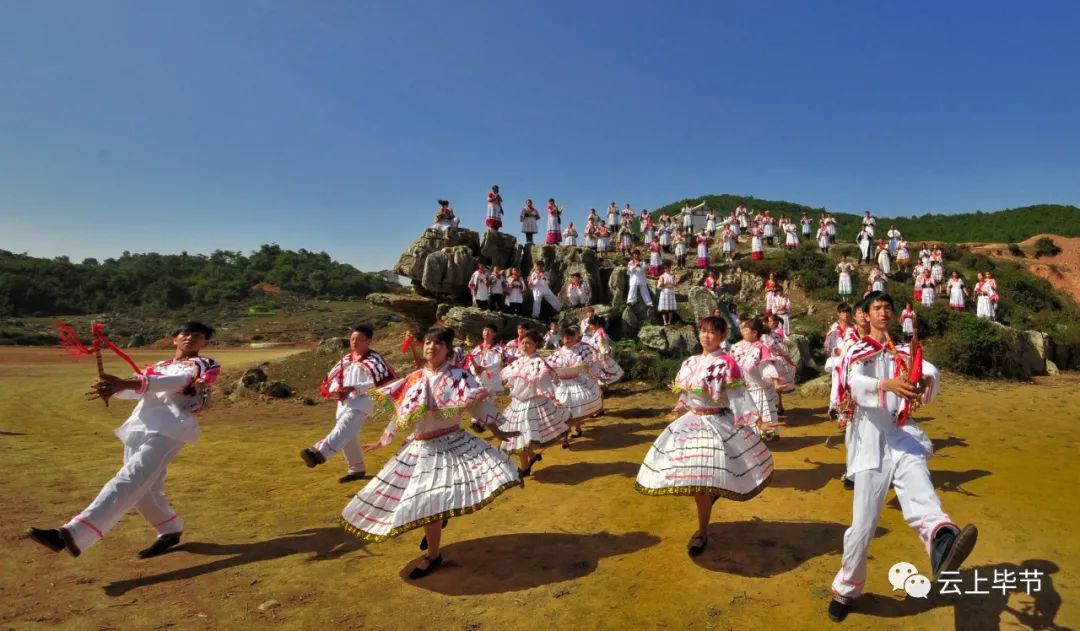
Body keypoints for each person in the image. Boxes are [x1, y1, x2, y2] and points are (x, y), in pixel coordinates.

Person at [826, 291, 978, 622]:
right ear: (865, 315)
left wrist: (924, 379)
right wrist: (887, 385)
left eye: (888, 308)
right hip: (869, 441)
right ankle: (847, 588)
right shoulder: (857, 349)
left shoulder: (904, 351)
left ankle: (943, 541)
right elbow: (851, 382)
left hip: (901, 433)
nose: (883, 312)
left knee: (922, 491)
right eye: (877, 308)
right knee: (863, 526)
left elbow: (930, 371)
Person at [28, 322, 221, 559]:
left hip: (170, 429)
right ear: (175, 339)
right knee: (145, 489)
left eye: (198, 336)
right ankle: (170, 529)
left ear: (204, 343)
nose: (191, 338)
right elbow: (135, 390)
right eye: (186, 334)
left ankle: (71, 534)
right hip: (139, 426)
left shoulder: (203, 363)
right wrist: (114, 388)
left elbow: (179, 382)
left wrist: (128, 384)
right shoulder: (159, 366)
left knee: (127, 480)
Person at [340, 328, 521, 579]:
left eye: (438, 343)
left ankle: (433, 555)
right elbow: (399, 411)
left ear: (447, 349)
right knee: (426, 501)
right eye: (427, 343)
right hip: (421, 446)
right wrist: (384, 441)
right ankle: (436, 539)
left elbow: (478, 406)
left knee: (433, 500)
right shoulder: (413, 379)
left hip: (453, 442)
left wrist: (498, 432)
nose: (431, 347)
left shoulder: (460, 376)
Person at [634, 316, 773, 556]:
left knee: (700, 484)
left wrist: (758, 420)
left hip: (716, 422)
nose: (706, 336)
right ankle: (709, 499)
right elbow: (685, 395)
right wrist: (677, 409)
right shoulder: (690, 362)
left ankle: (701, 532)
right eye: (703, 331)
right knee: (692, 477)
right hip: (689, 423)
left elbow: (739, 397)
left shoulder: (727, 363)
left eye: (712, 332)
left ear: (722, 336)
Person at [301, 325, 397, 483]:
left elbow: (378, 382)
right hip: (344, 401)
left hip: (364, 400)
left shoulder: (375, 360)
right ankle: (356, 468)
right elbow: (334, 379)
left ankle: (319, 453)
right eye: (352, 339)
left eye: (359, 339)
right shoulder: (345, 359)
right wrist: (336, 390)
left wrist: (355, 388)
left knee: (343, 428)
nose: (354, 342)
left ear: (368, 341)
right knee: (349, 436)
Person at [497, 329, 570, 476]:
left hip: (531, 403)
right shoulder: (519, 361)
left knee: (519, 437)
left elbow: (545, 383)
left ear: (536, 344)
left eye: (528, 343)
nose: (524, 346)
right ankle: (532, 457)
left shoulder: (538, 362)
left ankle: (525, 467)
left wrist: (552, 398)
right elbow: (510, 380)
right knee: (517, 437)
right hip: (516, 403)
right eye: (522, 343)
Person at [550, 325, 603, 447]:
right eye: (566, 338)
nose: (568, 340)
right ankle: (566, 437)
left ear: (575, 338)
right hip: (563, 385)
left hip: (577, 382)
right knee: (564, 408)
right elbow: (550, 367)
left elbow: (591, 361)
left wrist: (584, 368)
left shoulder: (582, 349)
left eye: (571, 338)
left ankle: (575, 430)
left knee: (576, 407)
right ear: (562, 339)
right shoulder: (557, 353)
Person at [734, 318, 781, 441]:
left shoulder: (761, 347)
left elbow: (767, 365)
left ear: (754, 333)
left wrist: (776, 382)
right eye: (742, 329)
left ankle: (761, 435)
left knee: (759, 410)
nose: (743, 331)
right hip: (741, 386)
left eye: (746, 329)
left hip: (756, 386)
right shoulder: (737, 347)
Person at [585, 316, 624, 386]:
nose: (590, 326)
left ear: (596, 324)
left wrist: (604, 360)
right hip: (597, 357)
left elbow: (603, 347)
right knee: (601, 377)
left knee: (603, 377)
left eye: (591, 325)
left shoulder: (600, 333)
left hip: (600, 358)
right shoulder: (598, 332)